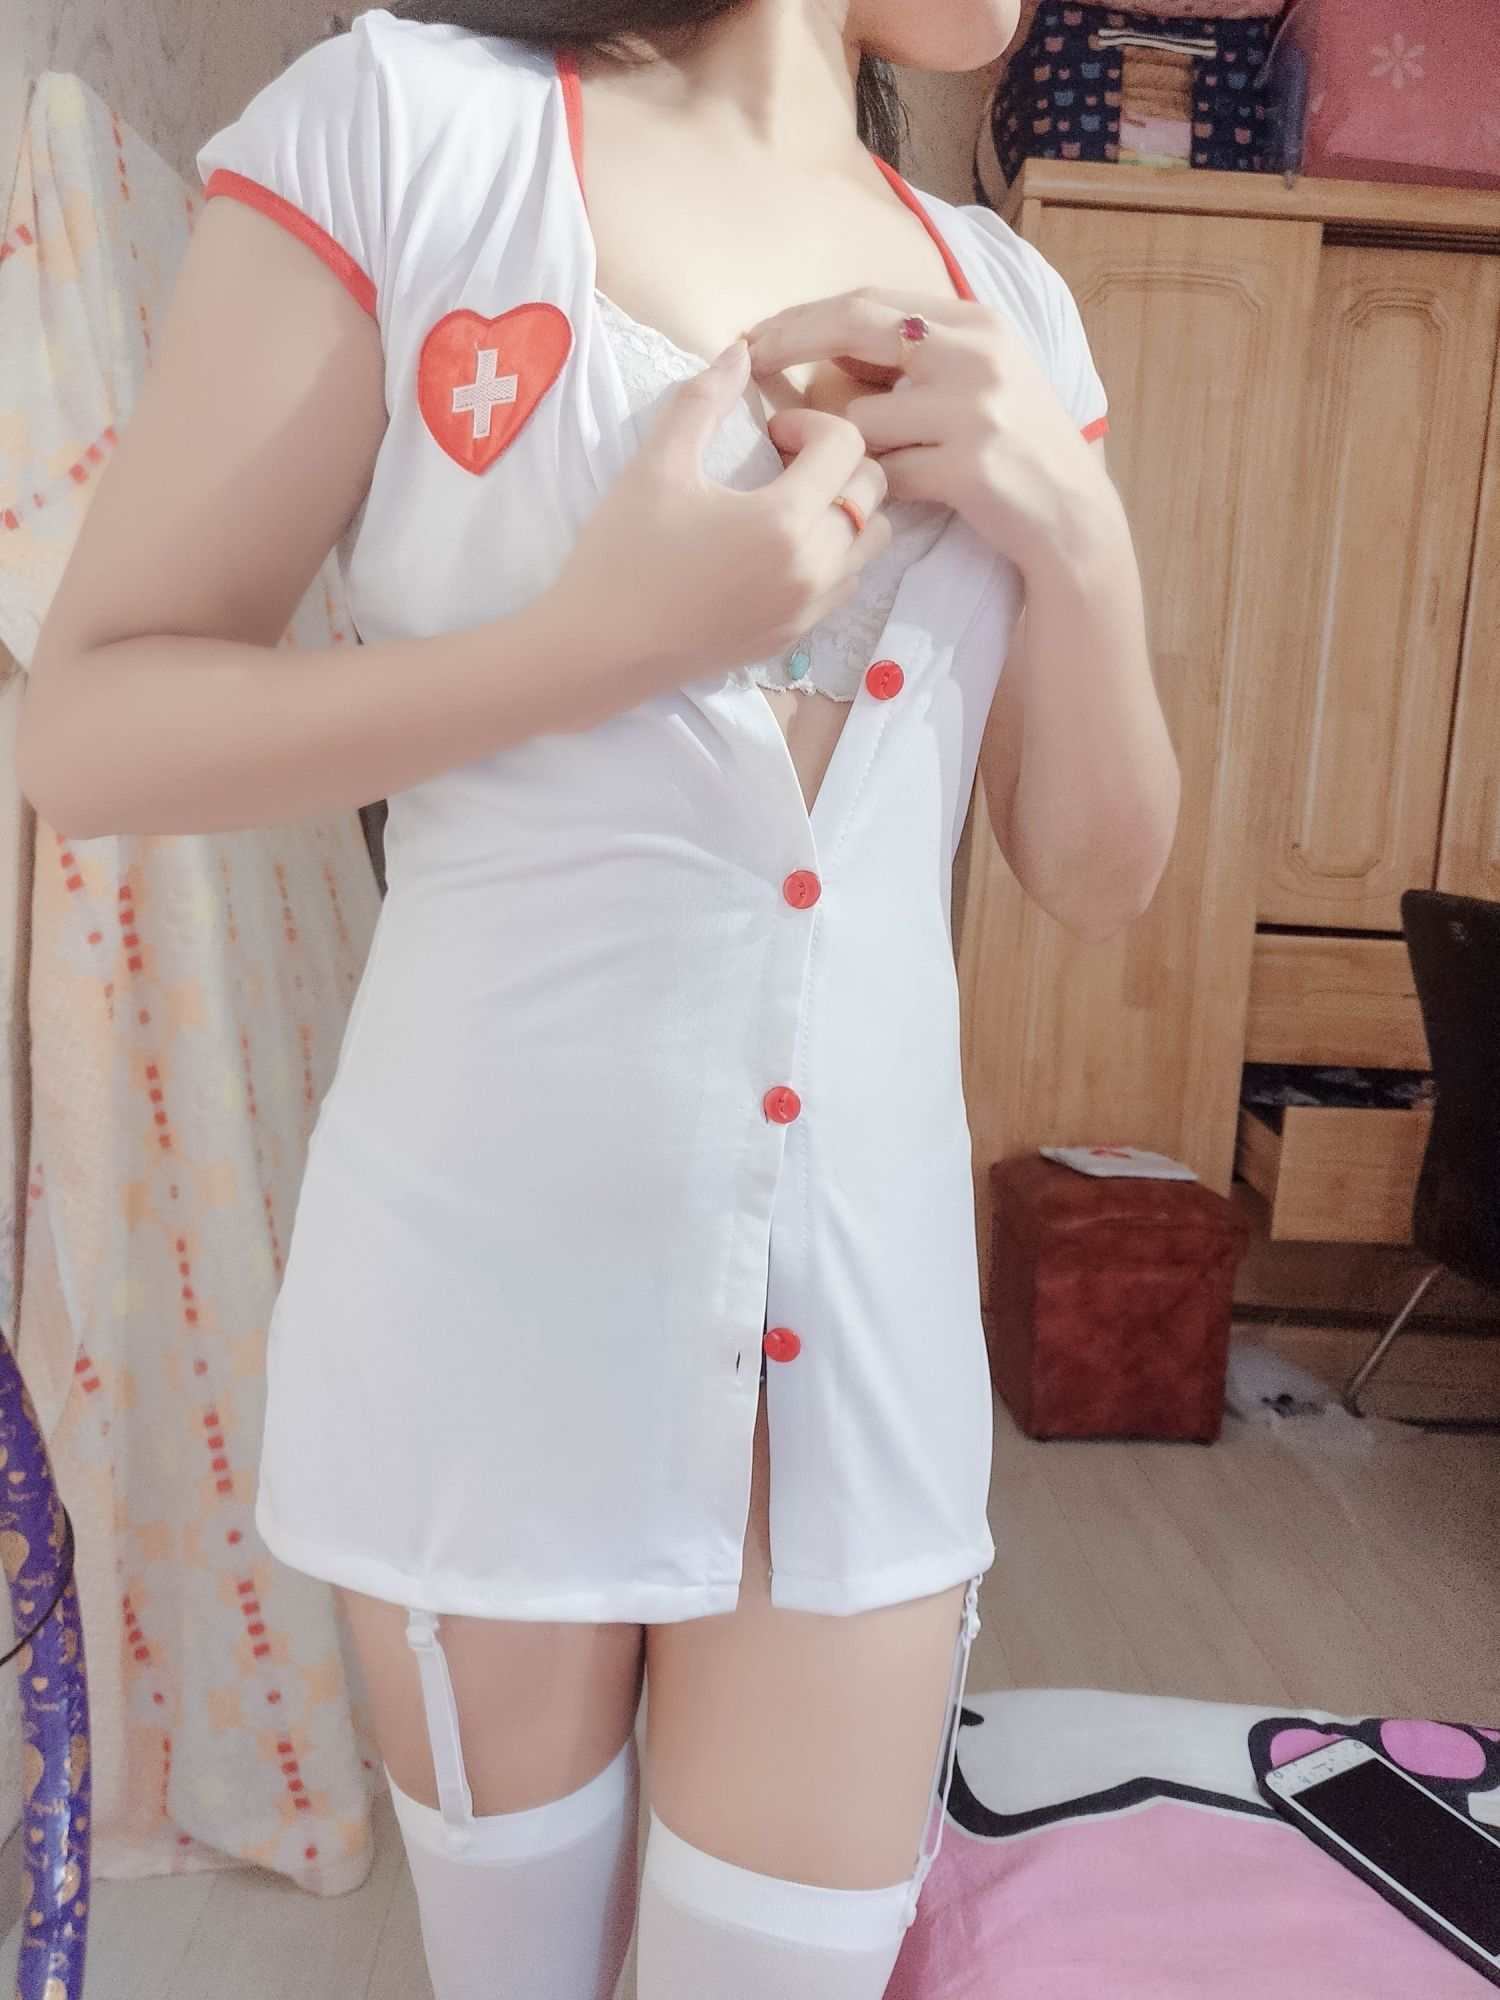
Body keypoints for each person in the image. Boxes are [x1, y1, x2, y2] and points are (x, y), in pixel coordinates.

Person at [17, 1, 1178, 1993]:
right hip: (483, 1299)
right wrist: (600, 643)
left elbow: (1095, 872)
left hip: (864, 1336)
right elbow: (90, 732)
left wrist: (1079, 537)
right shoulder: (410, 129)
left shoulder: (1018, 306)